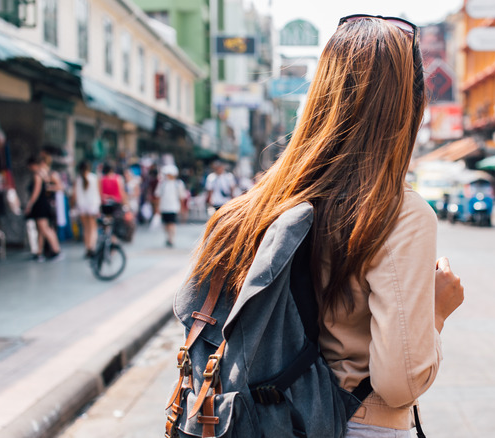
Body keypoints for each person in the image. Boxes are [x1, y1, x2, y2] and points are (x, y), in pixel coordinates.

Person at [187, 15, 463, 437]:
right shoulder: (398, 211)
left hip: (270, 419)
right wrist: (437, 312)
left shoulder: (266, 202)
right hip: (362, 425)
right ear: (409, 104)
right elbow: (397, 383)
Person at [24, 156, 62, 261]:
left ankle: (56, 250)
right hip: (43, 204)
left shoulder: (39, 175)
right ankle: (39, 252)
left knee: (44, 228)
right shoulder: (44, 174)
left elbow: (36, 192)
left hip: (40, 205)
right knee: (41, 229)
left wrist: (30, 204)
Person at [154, 164, 187, 247]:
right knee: (166, 224)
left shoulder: (178, 184)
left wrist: (182, 208)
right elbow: (158, 196)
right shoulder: (162, 184)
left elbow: (181, 197)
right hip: (164, 207)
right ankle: (168, 238)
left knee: (172, 223)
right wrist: (157, 207)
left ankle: (171, 239)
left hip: (173, 207)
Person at [74, 160, 101, 258]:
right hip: (92, 206)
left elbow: (75, 194)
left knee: (86, 229)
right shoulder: (93, 178)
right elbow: (98, 192)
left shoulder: (78, 179)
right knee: (93, 228)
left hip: (82, 206)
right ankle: (92, 247)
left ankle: (87, 248)